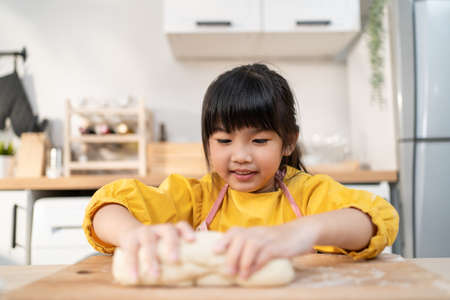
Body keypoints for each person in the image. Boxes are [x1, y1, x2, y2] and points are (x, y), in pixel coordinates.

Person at [82, 63, 399, 284]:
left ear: (288, 142)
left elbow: (375, 218)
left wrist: (303, 231)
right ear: (208, 143)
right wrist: (132, 235)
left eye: (259, 140)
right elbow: (108, 206)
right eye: (224, 140)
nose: (241, 156)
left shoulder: (309, 194)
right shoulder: (198, 197)